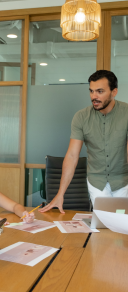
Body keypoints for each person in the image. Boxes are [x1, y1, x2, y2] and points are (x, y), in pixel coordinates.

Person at [39, 70, 128, 214]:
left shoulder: (126, 113)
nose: (94, 96)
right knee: (103, 225)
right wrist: (60, 193)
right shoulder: (81, 117)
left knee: (122, 226)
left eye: (100, 91)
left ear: (114, 92)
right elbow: (72, 156)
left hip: (123, 182)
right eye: (91, 91)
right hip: (97, 182)